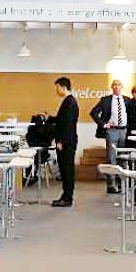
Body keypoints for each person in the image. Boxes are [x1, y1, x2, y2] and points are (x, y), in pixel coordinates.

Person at [90, 78, 130, 192]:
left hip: (124, 131)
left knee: (123, 158)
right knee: (111, 158)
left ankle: (123, 184)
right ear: (112, 87)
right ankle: (111, 185)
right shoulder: (106, 100)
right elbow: (93, 112)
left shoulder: (127, 100)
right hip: (112, 131)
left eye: (119, 84)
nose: (117, 86)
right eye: (114, 85)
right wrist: (104, 124)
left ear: (122, 87)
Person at [51, 76, 78, 207]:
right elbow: (60, 120)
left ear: (63, 87)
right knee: (65, 169)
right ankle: (65, 195)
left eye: (57, 87)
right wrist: (49, 118)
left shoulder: (70, 102)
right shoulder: (68, 101)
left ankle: (67, 198)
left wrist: (61, 141)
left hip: (66, 142)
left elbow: (67, 124)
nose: (56, 90)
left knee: (67, 170)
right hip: (66, 141)